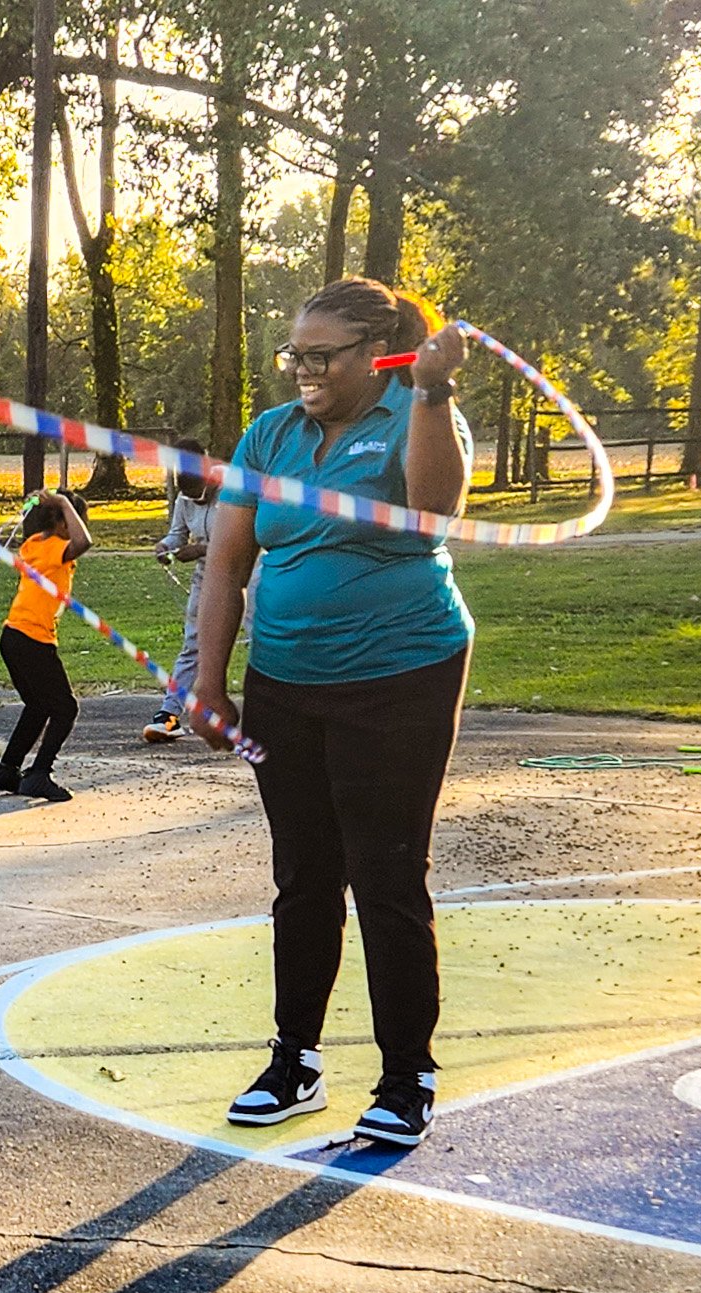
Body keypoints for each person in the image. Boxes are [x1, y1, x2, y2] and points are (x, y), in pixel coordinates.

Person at [193, 277, 474, 1149]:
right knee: (303, 875)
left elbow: (433, 512)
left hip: (402, 673)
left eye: (323, 356)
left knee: (385, 872)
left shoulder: (416, 412)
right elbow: (225, 563)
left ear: (377, 354)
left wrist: (431, 391)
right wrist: (208, 682)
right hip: (286, 680)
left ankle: (405, 1075)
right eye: (296, 355)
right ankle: (295, 1060)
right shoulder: (270, 435)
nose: (304, 370)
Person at [0, 490, 92, 803]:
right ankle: (39, 774)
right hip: (32, 639)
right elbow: (84, 542)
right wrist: (62, 503)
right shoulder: (53, 547)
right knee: (65, 707)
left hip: (14, 638)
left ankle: (6, 770)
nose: (81, 525)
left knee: (39, 706)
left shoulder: (35, 545)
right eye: (76, 518)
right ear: (60, 522)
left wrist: (58, 505)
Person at [144, 440, 215, 744]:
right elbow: (178, 533)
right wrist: (166, 546)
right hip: (206, 576)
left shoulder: (234, 491)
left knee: (260, 637)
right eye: (188, 495)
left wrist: (201, 549)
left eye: (199, 494)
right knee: (193, 643)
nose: (194, 500)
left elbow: (247, 539)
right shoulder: (184, 498)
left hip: (249, 574)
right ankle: (169, 714)